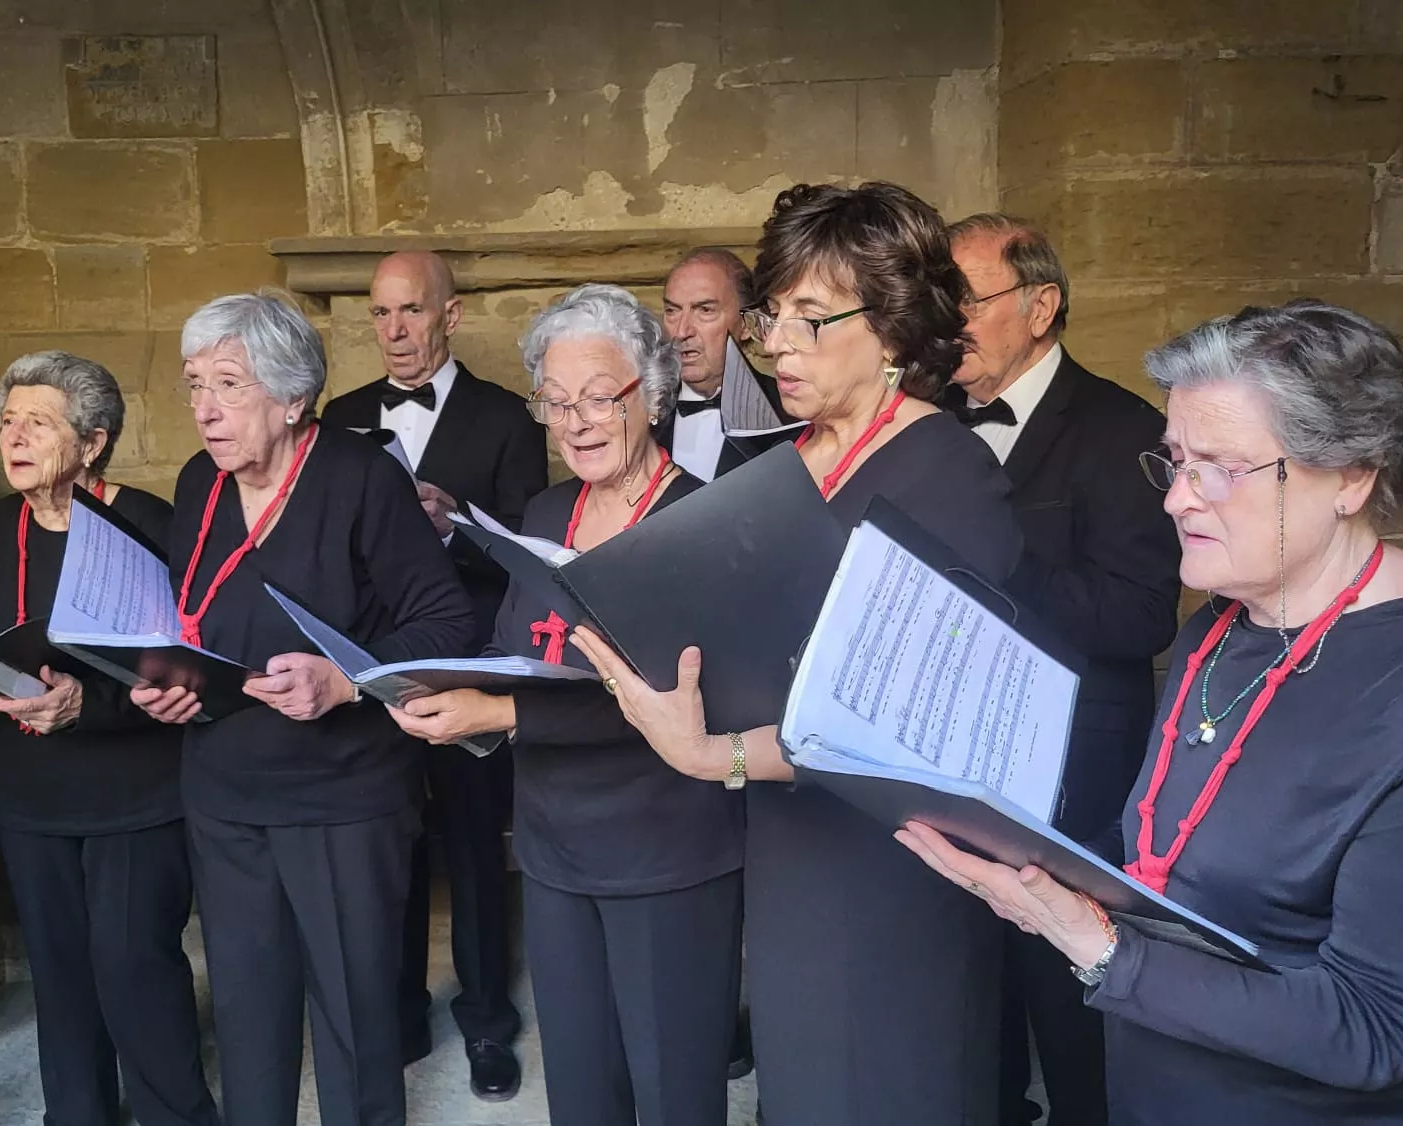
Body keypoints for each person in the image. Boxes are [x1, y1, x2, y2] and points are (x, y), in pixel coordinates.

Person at [897, 300, 1403, 1125]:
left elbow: (1374, 1030)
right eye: (1174, 462)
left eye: (1220, 468)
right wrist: (1005, 842)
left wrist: (1099, 948)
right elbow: (1169, 862)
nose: (1177, 500)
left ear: (1352, 475)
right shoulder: (1224, 623)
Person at [575, 183, 1026, 1126]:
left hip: (895, 861)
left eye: (811, 319)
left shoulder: (951, 478)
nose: (775, 342)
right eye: (773, 315)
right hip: (788, 841)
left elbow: (908, 720)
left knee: (880, 1086)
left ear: (898, 330)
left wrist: (715, 755)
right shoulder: (782, 459)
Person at [389, 285, 743, 1126]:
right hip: (553, 848)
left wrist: (498, 715)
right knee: (582, 1089)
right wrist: (431, 682)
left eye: (597, 397)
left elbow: (680, 694)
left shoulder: (706, 518)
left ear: (650, 394)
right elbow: (517, 651)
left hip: (667, 854)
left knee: (672, 1093)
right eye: (555, 402)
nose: (576, 421)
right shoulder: (546, 511)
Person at [131, 292, 474, 1126]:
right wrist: (170, 684)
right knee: (249, 1013)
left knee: (357, 1016)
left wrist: (344, 679)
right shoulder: (197, 483)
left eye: (229, 385)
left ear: (292, 397)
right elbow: (194, 618)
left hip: (343, 798)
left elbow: (446, 621)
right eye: (193, 385)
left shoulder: (358, 477)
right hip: (224, 793)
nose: (205, 410)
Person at [0, 352, 218, 1126]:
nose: (14, 436)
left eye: (37, 423)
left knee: (135, 968)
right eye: (8, 420)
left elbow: (186, 672)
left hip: (135, 792)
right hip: (29, 796)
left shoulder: (150, 525)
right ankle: (75, 1114)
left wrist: (91, 707)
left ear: (93, 442)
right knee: (58, 973)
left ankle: (175, 1114)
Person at [936, 213, 1181, 1126]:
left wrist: (1000, 564)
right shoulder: (931, 425)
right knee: (971, 1005)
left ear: (1042, 307)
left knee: (1073, 1013)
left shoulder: (1125, 430)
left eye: (966, 298)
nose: (946, 320)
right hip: (952, 760)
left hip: (1074, 778)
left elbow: (1140, 614)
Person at [322, 251, 547, 1097]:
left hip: (473, 666)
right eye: (381, 315)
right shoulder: (339, 417)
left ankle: (488, 1019)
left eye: (411, 312)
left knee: (475, 846)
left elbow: (531, 551)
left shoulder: (508, 420)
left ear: (449, 316)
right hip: (372, 673)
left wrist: (452, 523)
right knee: (391, 846)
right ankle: (401, 1011)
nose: (395, 331)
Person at [655, 246, 787, 481]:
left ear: (747, 323)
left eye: (705, 310)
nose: (682, 331)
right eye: (672, 311)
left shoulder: (789, 414)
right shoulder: (641, 414)